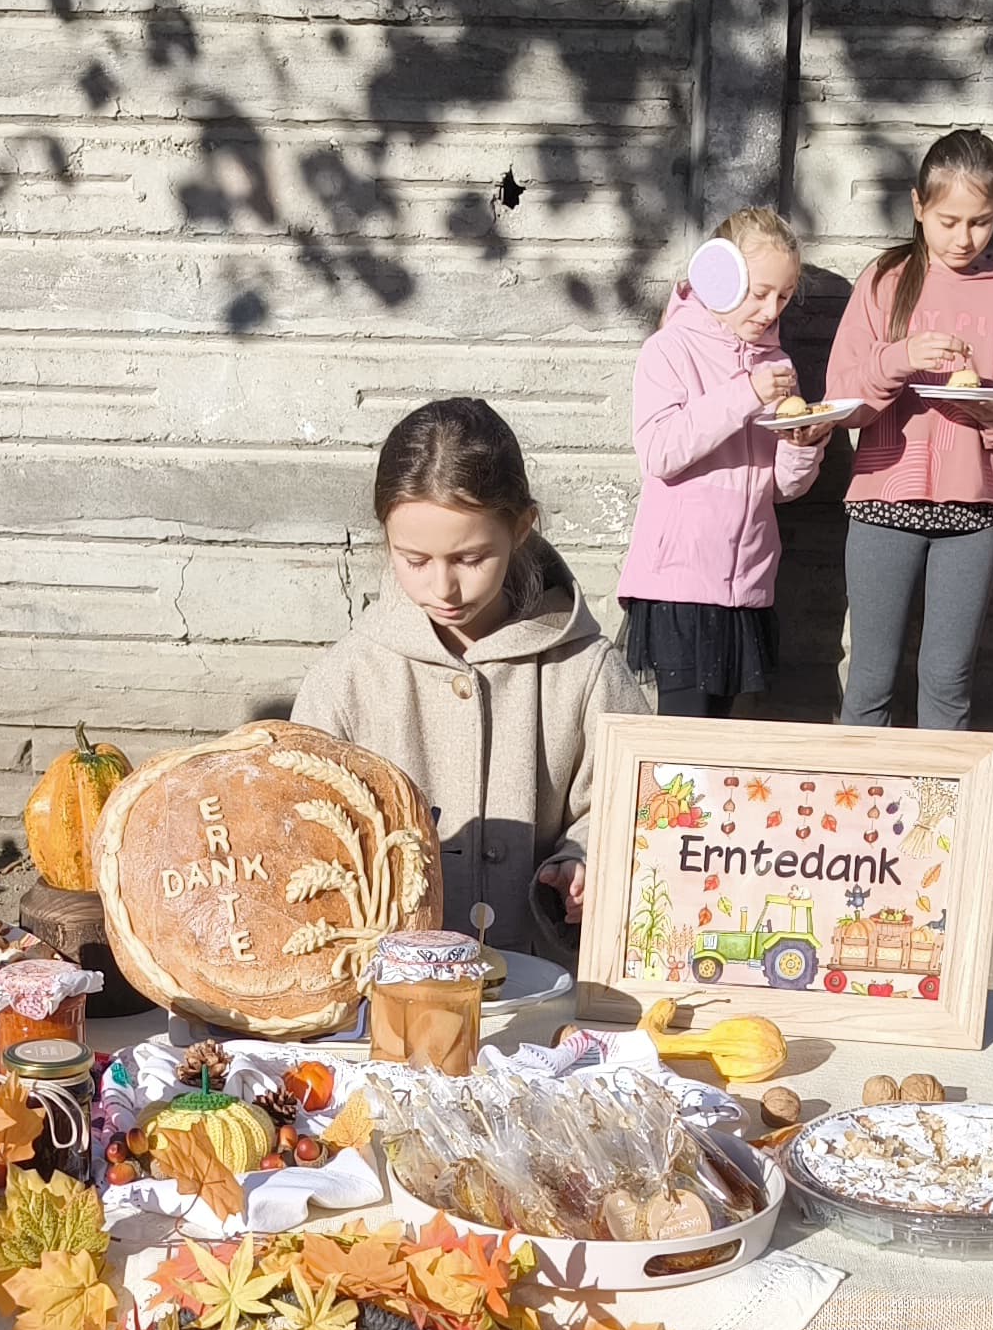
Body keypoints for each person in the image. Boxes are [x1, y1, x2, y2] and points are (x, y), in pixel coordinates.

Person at [299, 398, 650, 947]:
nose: (442, 589)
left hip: (545, 993)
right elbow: (302, 834)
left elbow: (637, 808)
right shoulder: (348, 679)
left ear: (521, 529)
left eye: (469, 559)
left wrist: (582, 859)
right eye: (414, 560)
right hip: (393, 998)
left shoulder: (584, 669)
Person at [822, 128, 993, 730]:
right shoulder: (884, 278)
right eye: (948, 220)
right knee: (870, 678)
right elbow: (842, 401)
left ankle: (938, 821)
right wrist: (900, 357)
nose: (964, 238)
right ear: (918, 206)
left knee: (949, 679)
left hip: (972, 509)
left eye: (981, 221)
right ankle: (852, 814)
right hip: (882, 501)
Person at [613, 206, 831, 717]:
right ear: (719, 276)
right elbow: (661, 451)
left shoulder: (777, 364)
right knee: (681, 746)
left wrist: (803, 443)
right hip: (680, 583)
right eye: (759, 294)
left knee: (718, 747)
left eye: (783, 296)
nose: (771, 310)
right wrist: (746, 394)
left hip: (747, 582)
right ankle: (655, 806)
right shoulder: (668, 350)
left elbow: (781, 487)